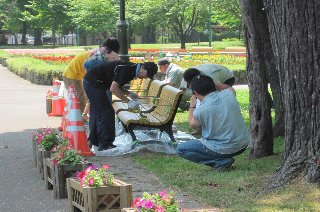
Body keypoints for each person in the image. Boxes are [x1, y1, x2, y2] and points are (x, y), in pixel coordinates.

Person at [176, 75, 249, 171]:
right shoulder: (229, 94)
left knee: (181, 149)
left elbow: (192, 124)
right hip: (243, 144)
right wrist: (212, 85)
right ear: (213, 86)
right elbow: (228, 87)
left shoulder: (200, 110)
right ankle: (222, 160)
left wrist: (192, 106)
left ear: (195, 92)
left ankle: (220, 162)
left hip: (222, 148)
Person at [83, 61, 158, 151]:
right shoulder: (127, 69)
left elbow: (116, 85)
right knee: (106, 113)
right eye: (147, 74)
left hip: (94, 82)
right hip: (94, 83)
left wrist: (129, 93)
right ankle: (105, 144)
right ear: (143, 67)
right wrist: (128, 102)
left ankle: (94, 141)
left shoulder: (132, 69)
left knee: (97, 112)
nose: (145, 77)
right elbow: (113, 89)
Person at [62, 37, 120, 113]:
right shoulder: (96, 57)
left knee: (84, 98)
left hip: (75, 74)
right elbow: (90, 73)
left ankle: (81, 117)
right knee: (80, 99)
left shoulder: (100, 52)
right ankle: (78, 119)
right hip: (72, 75)